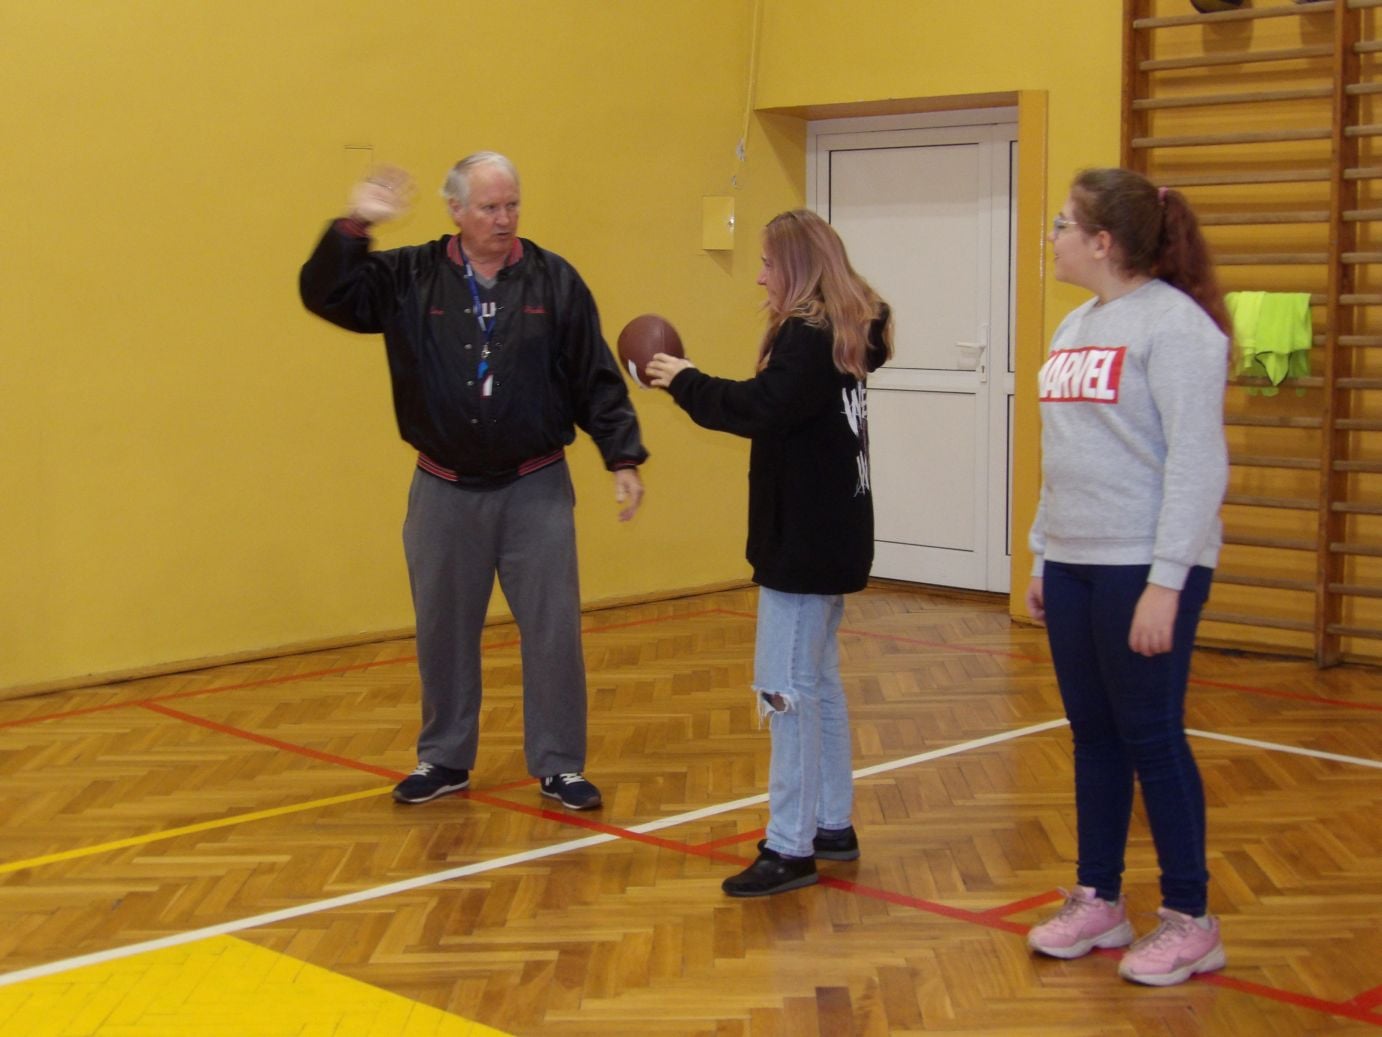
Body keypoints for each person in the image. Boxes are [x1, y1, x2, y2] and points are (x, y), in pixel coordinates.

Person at [299, 152, 647, 811]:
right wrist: (354, 226)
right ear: (455, 210)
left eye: (512, 204)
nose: (504, 218)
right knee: (443, 631)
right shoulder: (409, 276)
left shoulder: (555, 280)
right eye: (489, 207)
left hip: (535, 487)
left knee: (552, 631)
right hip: (442, 488)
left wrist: (622, 456)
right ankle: (445, 758)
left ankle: (560, 764)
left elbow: (594, 375)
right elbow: (326, 294)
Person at [646, 209, 892, 896]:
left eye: (767, 263)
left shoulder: (809, 337)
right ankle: (831, 823)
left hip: (805, 543)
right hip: (829, 536)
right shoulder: (846, 329)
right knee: (818, 684)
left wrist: (684, 379)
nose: (759, 276)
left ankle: (790, 845)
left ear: (797, 268)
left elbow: (757, 407)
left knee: (784, 690)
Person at [1024, 168, 1230, 986]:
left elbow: (1198, 463)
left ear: (1103, 241)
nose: (1054, 236)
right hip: (1076, 562)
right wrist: (1043, 553)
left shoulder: (1178, 328)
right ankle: (1099, 897)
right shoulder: (1074, 324)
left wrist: (1166, 581)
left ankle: (1191, 918)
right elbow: (1066, 454)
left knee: (1152, 734)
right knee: (1093, 734)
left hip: (1143, 565)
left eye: (1063, 224)